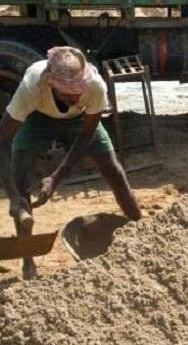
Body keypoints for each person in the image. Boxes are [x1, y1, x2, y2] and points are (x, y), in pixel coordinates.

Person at [0, 46, 141, 279]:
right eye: (69, 93)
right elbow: (1, 141)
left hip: (80, 120)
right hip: (39, 118)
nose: (76, 97)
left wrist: (55, 178)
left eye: (79, 91)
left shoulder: (95, 86)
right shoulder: (32, 87)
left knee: (113, 170)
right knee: (19, 175)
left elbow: (86, 136)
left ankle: (145, 231)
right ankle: (28, 261)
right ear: (51, 84)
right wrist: (15, 197)